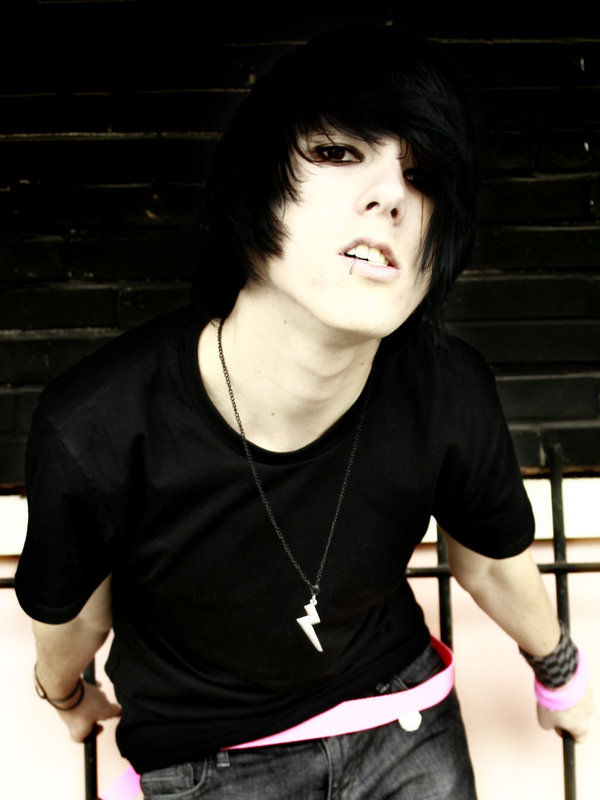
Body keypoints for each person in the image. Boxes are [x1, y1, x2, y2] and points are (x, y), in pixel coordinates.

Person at [15, 25, 593, 800]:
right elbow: (75, 621)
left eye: (422, 177)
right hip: (211, 760)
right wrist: (65, 695)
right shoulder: (99, 425)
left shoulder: (443, 388)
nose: (391, 195)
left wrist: (561, 674)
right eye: (338, 152)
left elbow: (488, 561)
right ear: (252, 188)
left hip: (401, 719)